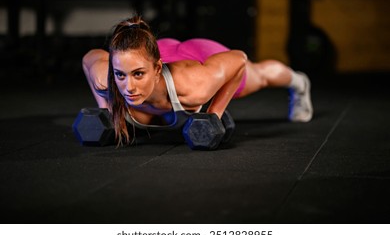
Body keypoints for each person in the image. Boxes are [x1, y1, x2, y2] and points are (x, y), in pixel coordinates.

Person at [82, 15, 313, 146]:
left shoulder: (195, 86)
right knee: (128, 73)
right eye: (120, 75)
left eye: (137, 76)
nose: (128, 87)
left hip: (198, 56)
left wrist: (214, 114)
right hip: (144, 55)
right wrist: (109, 110)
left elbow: (239, 60)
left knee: (259, 77)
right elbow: (89, 59)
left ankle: (299, 83)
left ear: (156, 69)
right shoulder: (108, 80)